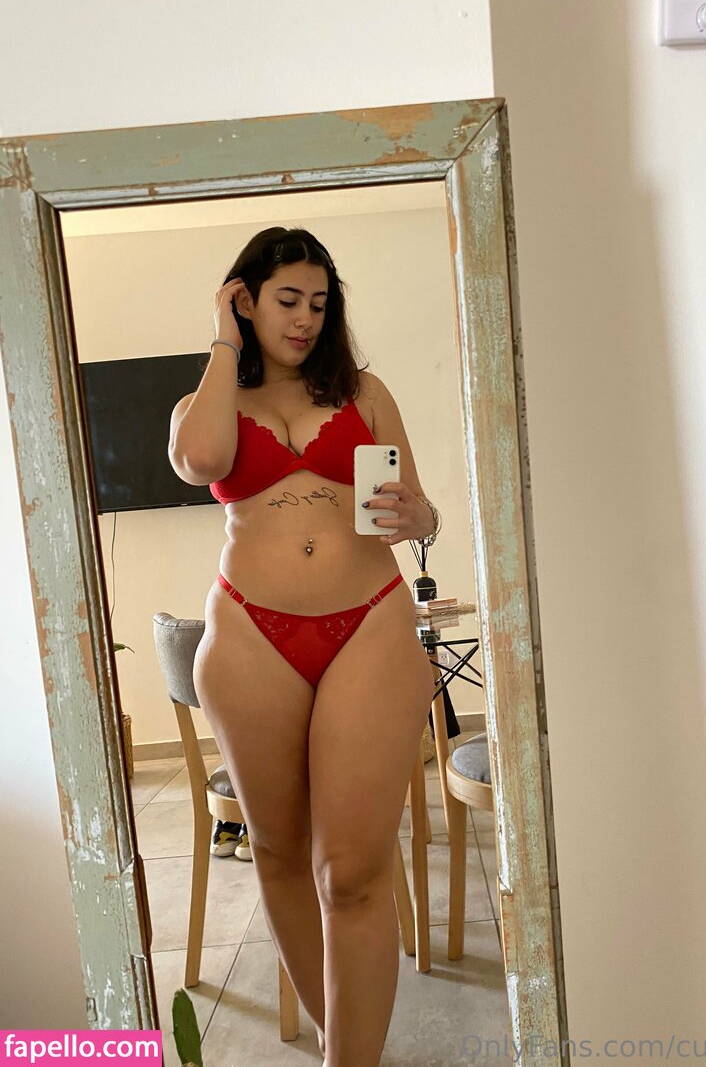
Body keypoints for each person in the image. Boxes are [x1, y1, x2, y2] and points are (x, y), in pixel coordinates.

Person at [168, 227, 438, 1067]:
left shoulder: (364, 392)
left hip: (370, 622)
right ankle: (340, 1048)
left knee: (351, 872)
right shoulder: (206, 404)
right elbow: (199, 460)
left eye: (319, 304)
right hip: (251, 633)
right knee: (280, 855)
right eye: (287, 300)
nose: (305, 319)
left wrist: (421, 518)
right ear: (246, 299)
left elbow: (416, 507)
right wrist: (224, 338)